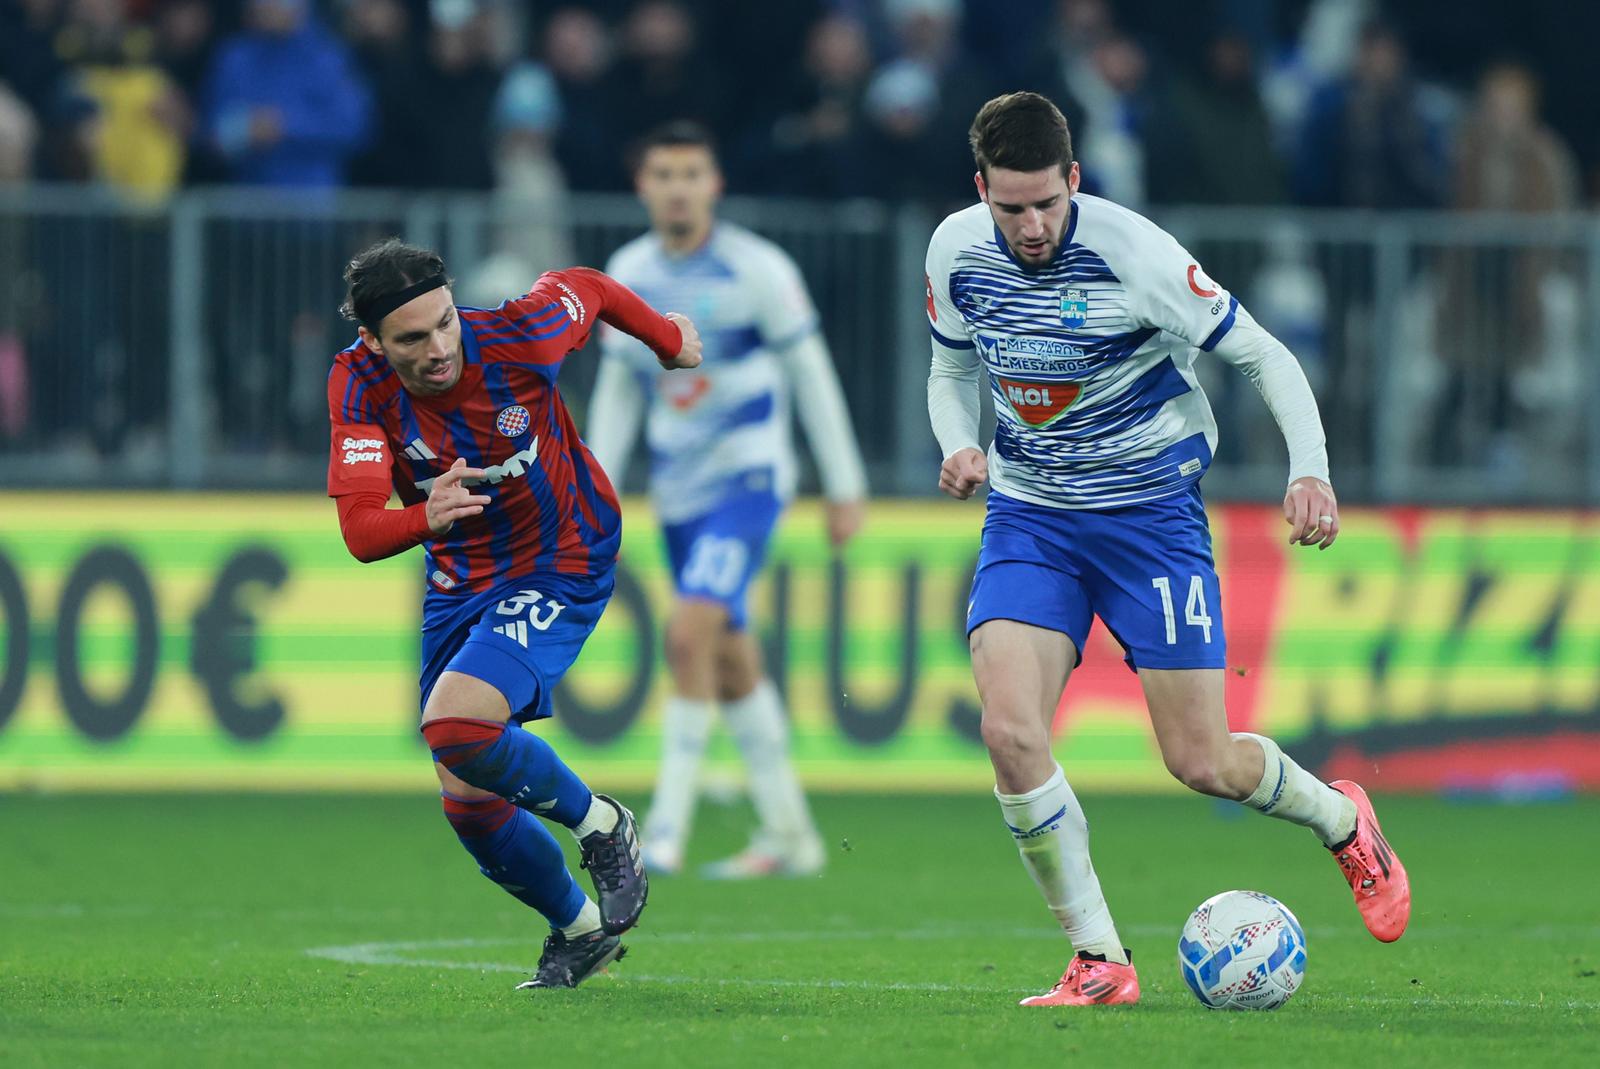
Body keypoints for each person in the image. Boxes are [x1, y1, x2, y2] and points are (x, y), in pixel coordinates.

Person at [925, 92, 1410, 1007]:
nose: (1030, 227)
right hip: (1032, 517)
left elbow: (1264, 354)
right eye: (1009, 208)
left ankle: (1344, 819)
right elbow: (950, 369)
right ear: (980, 189)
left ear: (1074, 179)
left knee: (1201, 760)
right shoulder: (954, 249)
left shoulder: (1135, 254)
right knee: (1009, 730)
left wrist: (1311, 470)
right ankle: (1100, 959)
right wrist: (956, 441)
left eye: (1046, 204)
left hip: (1151, 518)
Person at [326, 238, 702, 989]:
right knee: (465, 794)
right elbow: (362, 531)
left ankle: (602, 824)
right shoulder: (357, 383)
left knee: (454, 723)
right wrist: (424, 518)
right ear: (372, 340)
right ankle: (579, 929)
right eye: (411, 338)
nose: (437, 349)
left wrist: (667, 339)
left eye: (443, 324)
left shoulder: (515, 335)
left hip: (563, 555)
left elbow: (587, 286)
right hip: (459, 577)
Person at [585, 122, 867, 879]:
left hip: (749, 479)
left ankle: (662, 833)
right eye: (663, 172)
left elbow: (810, 370)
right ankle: (792, 836)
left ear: (715, 185)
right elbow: (617, 388)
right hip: (677, 490)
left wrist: (843, 483)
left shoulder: (757, 269)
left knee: (687, 631)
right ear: (642, 185)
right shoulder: (627, 270)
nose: (677, 186)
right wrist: (595, 489)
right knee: (730, 658)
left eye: (691, 172)